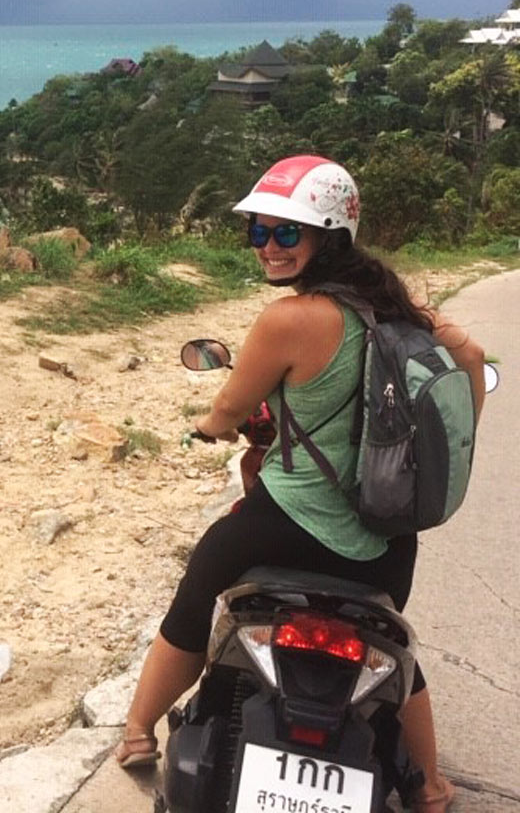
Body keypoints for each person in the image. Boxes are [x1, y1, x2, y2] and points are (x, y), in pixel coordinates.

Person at [114, 155, 485, 813]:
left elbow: (230, 410)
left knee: (195, 601)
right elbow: (474, 362)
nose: (268, 246)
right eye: (258, 232)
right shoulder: (399, 310)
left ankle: (139, 732)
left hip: (285, 522)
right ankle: (427, 787)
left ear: (328, 235)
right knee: (390, 643)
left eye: (286, 233)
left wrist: (210, 425)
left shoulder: (288, 320)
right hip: (386, 540)